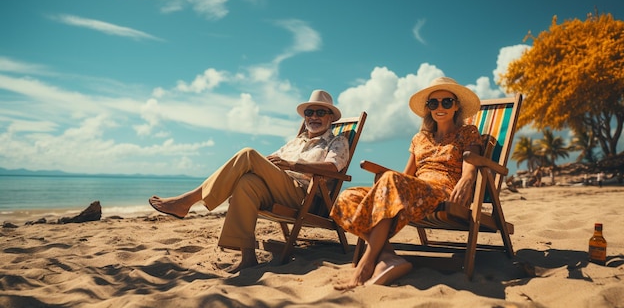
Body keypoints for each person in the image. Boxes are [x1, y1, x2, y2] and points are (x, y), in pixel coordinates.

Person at [149, 90, 350, 273]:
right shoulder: (297, 141)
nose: (314, 116)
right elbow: (268, 160)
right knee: (247, 181)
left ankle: (186, 201)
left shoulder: (337, 141)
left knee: (248, 153)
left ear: (330, 117)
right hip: (279, 187)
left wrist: (293, 164)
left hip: (303, 195)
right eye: (309, 112)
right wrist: (265, 164)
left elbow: (333, 168)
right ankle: (248, 258)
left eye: (320, 112)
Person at [330, 77, 482, 289]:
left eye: (446, 102)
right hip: (415, 190)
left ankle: (366, 263)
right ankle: (389, 258)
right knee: (348, 197)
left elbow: (471, 162)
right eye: (433, 103)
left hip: (443, 191)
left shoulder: (468, 132)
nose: (440, 107)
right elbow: (406, 175)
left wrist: (468, 178)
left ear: (456, 106)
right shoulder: (419, 138)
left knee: (389, 179)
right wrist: (390, 185)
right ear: (428, 108)